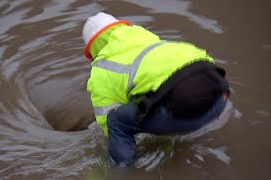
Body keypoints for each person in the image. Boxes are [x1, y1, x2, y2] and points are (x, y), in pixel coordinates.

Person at [82, 12, 230, 167]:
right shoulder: (148, 38)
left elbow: (106, 121)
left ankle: (121, 172)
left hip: (185, 111)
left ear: (93, 48)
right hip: (220, 95)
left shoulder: (101, 69)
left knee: (115, 123)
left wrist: (120, 138)